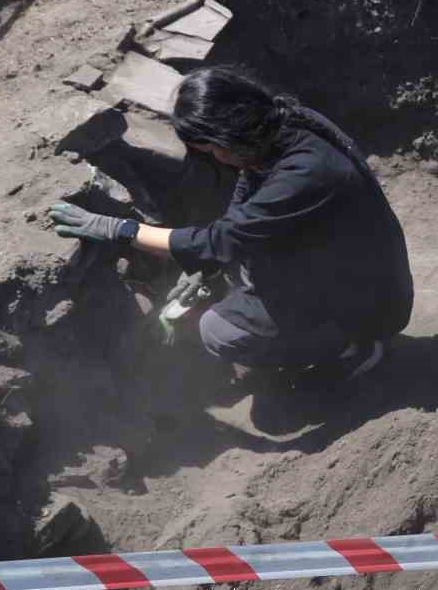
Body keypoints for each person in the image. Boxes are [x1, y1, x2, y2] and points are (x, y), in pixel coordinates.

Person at [48, 67, 413, 380]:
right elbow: (242, 206)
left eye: (212, 150)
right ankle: (312, 328)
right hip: (342, 264)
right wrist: (209, 268)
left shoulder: (306, 171)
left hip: (369, 303)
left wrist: (119, 230)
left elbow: (224, 238)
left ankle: (354, 348)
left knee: (218, 331)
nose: (216, 159)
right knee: (236, 264)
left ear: (231, 134)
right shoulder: (282, 124)